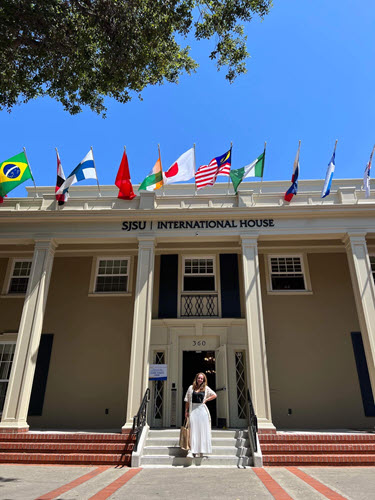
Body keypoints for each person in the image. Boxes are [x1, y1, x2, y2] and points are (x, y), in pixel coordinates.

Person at [184, 372, 217, 458]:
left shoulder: (205, 388)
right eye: (199, 378)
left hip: (202, 411)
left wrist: (206, 400)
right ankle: (191, 450)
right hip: (193, 410)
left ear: (204, 380)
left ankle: (200, 450)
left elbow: (214, 395)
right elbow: (187, 400)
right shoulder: (191, 388)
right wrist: (186, 411)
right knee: (192, 430)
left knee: (201, 431)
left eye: (202, 378)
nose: (200, 380)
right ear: (196, 378)